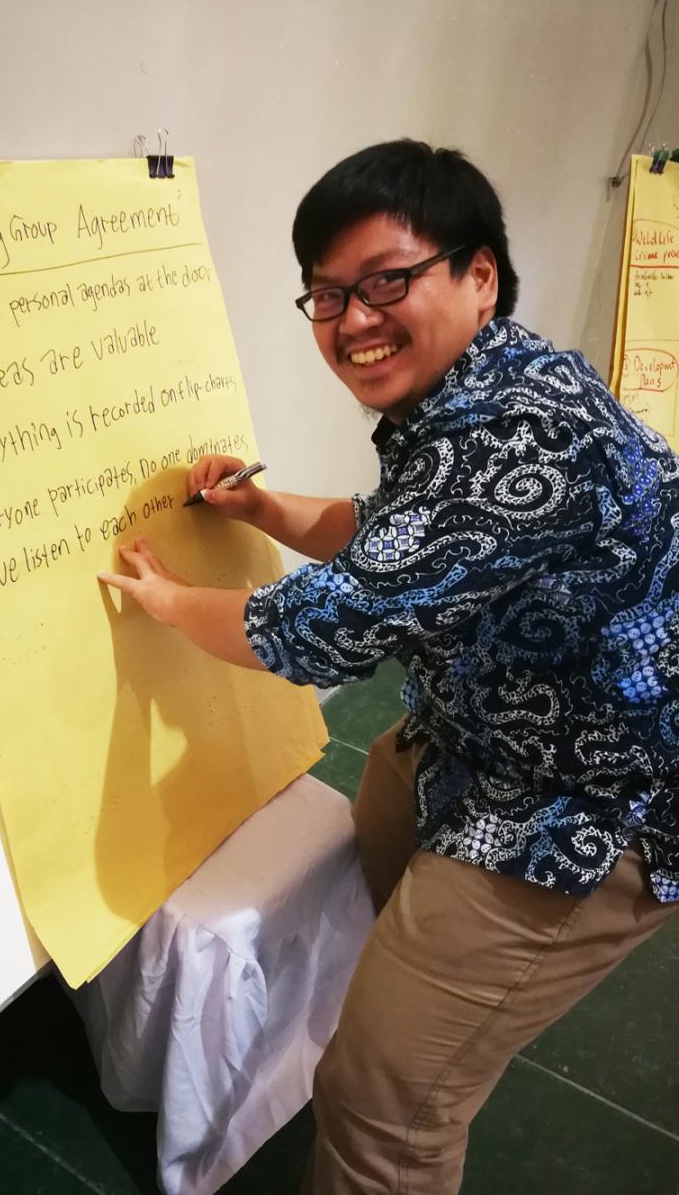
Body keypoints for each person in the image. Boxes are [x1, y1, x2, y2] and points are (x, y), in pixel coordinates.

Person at [98, 139, 679, 1194]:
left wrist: (165, 598)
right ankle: (425, 1017)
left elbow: (316, 631)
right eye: (325, 295)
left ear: (480, 276)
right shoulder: (474, 389)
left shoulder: (515, 436)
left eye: (386, 282)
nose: (352, 321)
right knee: (386, 790)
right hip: (484, 727)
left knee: (380, 1104)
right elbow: (398, 541)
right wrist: (265, 509)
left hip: (592, 800)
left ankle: (419, 1068)